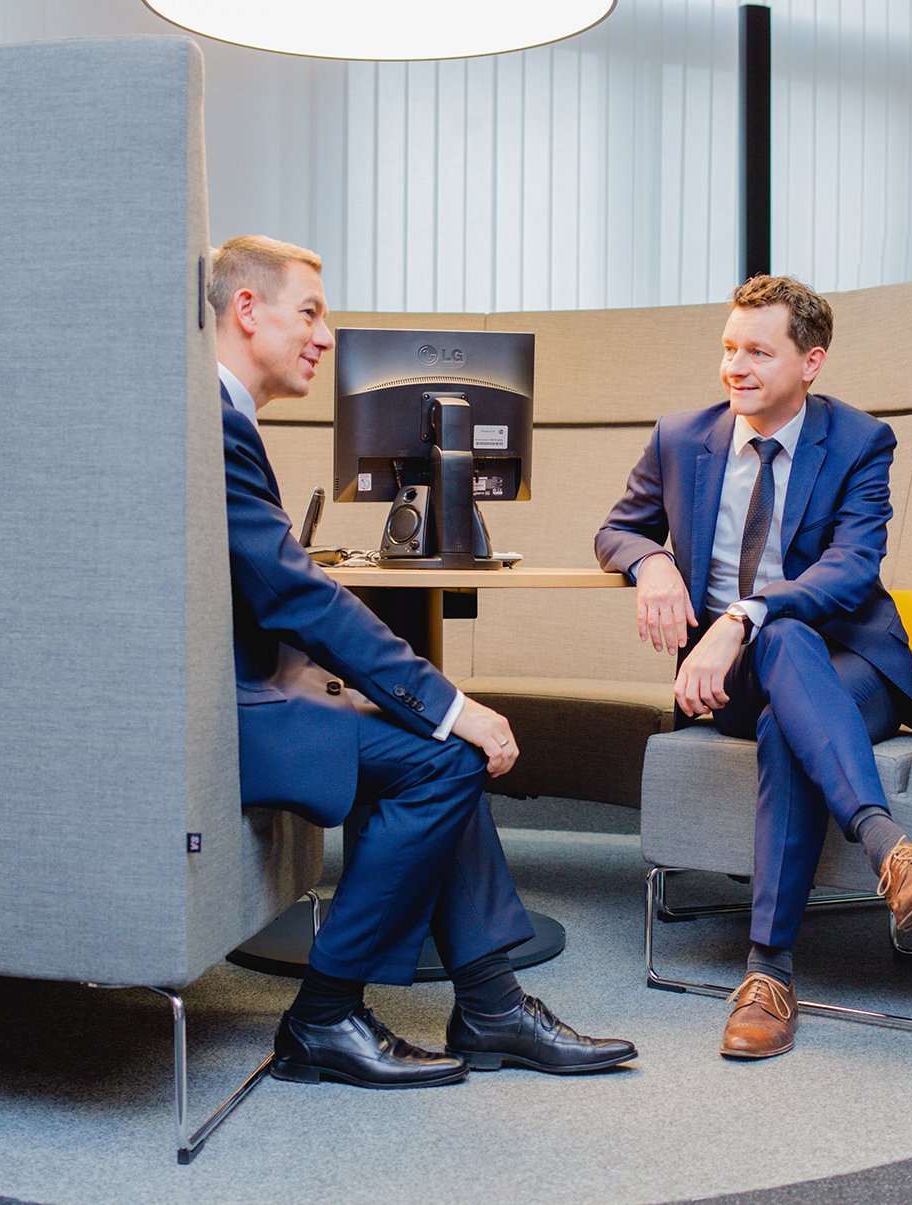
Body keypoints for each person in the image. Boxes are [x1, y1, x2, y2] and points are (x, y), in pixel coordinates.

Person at [211, 235, 636, 1088]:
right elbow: (295, 596)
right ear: (246, 309)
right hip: (231, 711)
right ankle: (324, 1018)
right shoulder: (208, 422)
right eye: (310, 313)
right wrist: (450, 701)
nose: (325, 337)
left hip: (259, 692)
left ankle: (490, 1007)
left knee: (441, 747)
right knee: (443, 750)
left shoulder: (222, 418)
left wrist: (434, 707)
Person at [595, 275, 912, 1061]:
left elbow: (851, 567)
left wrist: (742, 614)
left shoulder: (861, 440)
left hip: (850, 668)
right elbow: (615, 530)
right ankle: (889, 851)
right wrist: (652, 564)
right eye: (729, 348)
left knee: (787, 646)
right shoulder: (678, 438)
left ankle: (767, 973)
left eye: (759, 351)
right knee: (780, 661)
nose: (736, 366)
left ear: (810, 362)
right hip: (735, 678)